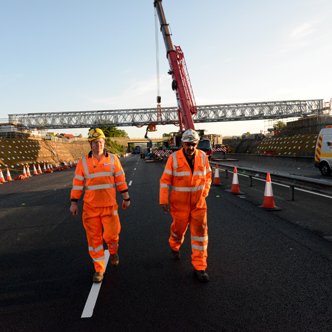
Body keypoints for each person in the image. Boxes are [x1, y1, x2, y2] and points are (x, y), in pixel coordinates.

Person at [70, 128, 130, 283]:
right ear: (91, 144)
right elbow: (77, 184)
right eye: (95, 142)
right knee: (94, 240)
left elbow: (121, 180)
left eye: (101, 142)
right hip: (90, 208)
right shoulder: (83, 162)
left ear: (104, 142)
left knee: (112, 235)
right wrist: (74, 202)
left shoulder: (113, 159)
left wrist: (126, 197)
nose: (99, 145)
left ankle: (113, 251)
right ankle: (99, 269)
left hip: (109, 207)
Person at [159, 129, 212, 282]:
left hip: (198, 204)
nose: (190, 147)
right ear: (182, 143)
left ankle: (200, 267)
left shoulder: (203, 157)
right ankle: (174, 245)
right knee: (178, 230)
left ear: (197, 143)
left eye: (193, 144)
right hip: (179, 205)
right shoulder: (173, 158)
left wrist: (205, 193)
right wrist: (164, 200)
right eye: (188, 144)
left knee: (200, 235)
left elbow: (208, 176)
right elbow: (165, 181)